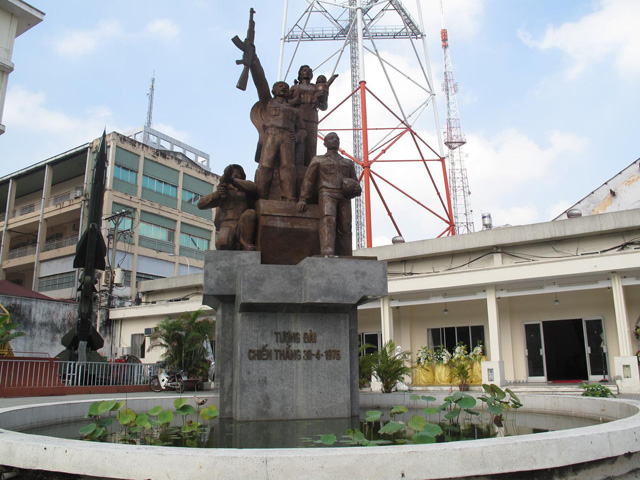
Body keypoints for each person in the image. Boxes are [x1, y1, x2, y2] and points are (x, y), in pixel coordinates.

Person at [249, 53, 306, 201]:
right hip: (271, 135)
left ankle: (288, 197)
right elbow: (260, 82)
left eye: (286, 87)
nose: (283, 88)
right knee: (265, 165)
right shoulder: (268, 102)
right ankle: (261, 196)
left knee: (288, 167)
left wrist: (298, 137)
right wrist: (254, 61)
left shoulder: (294, 110)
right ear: (274, 91)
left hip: (288, 137)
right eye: (280, 86)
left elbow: (303, 129)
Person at [296, 132, 361, 256]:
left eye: (337, 138)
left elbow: (355, 182)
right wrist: (303, 199)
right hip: (327, 193)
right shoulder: (318, 160)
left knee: (346, 226)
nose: (335, 140)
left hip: (344, 197)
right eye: (331, 138)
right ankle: (327, 251)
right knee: (328, 220)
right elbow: (308, 180)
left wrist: (357, 189)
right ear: (324, 143)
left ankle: (346, 254)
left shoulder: (348, 162)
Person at [197, 164, 257, 251]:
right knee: (224, 244)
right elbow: (201, 204)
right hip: (228, 224)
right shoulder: (223, 191)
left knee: (250, 213)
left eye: (239, 173)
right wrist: (217, 194)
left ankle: (246, 243)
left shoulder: (247, 190)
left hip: (244, 224)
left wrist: (233, 180)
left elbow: (253, 187)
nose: (236, 174)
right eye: (233, 172)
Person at [289, 66, 338, 167]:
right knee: (298, 144)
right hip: (298, 119)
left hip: (312, 119)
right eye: (304, 71)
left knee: (311, 146)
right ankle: (297, 169)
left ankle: (310, 169)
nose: (306, 73)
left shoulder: (316, 88)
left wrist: (322, 97)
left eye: (309, 71)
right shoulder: (294, 88)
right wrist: (294, 101)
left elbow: (323, 106)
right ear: (300, 74)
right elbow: (285, 103)